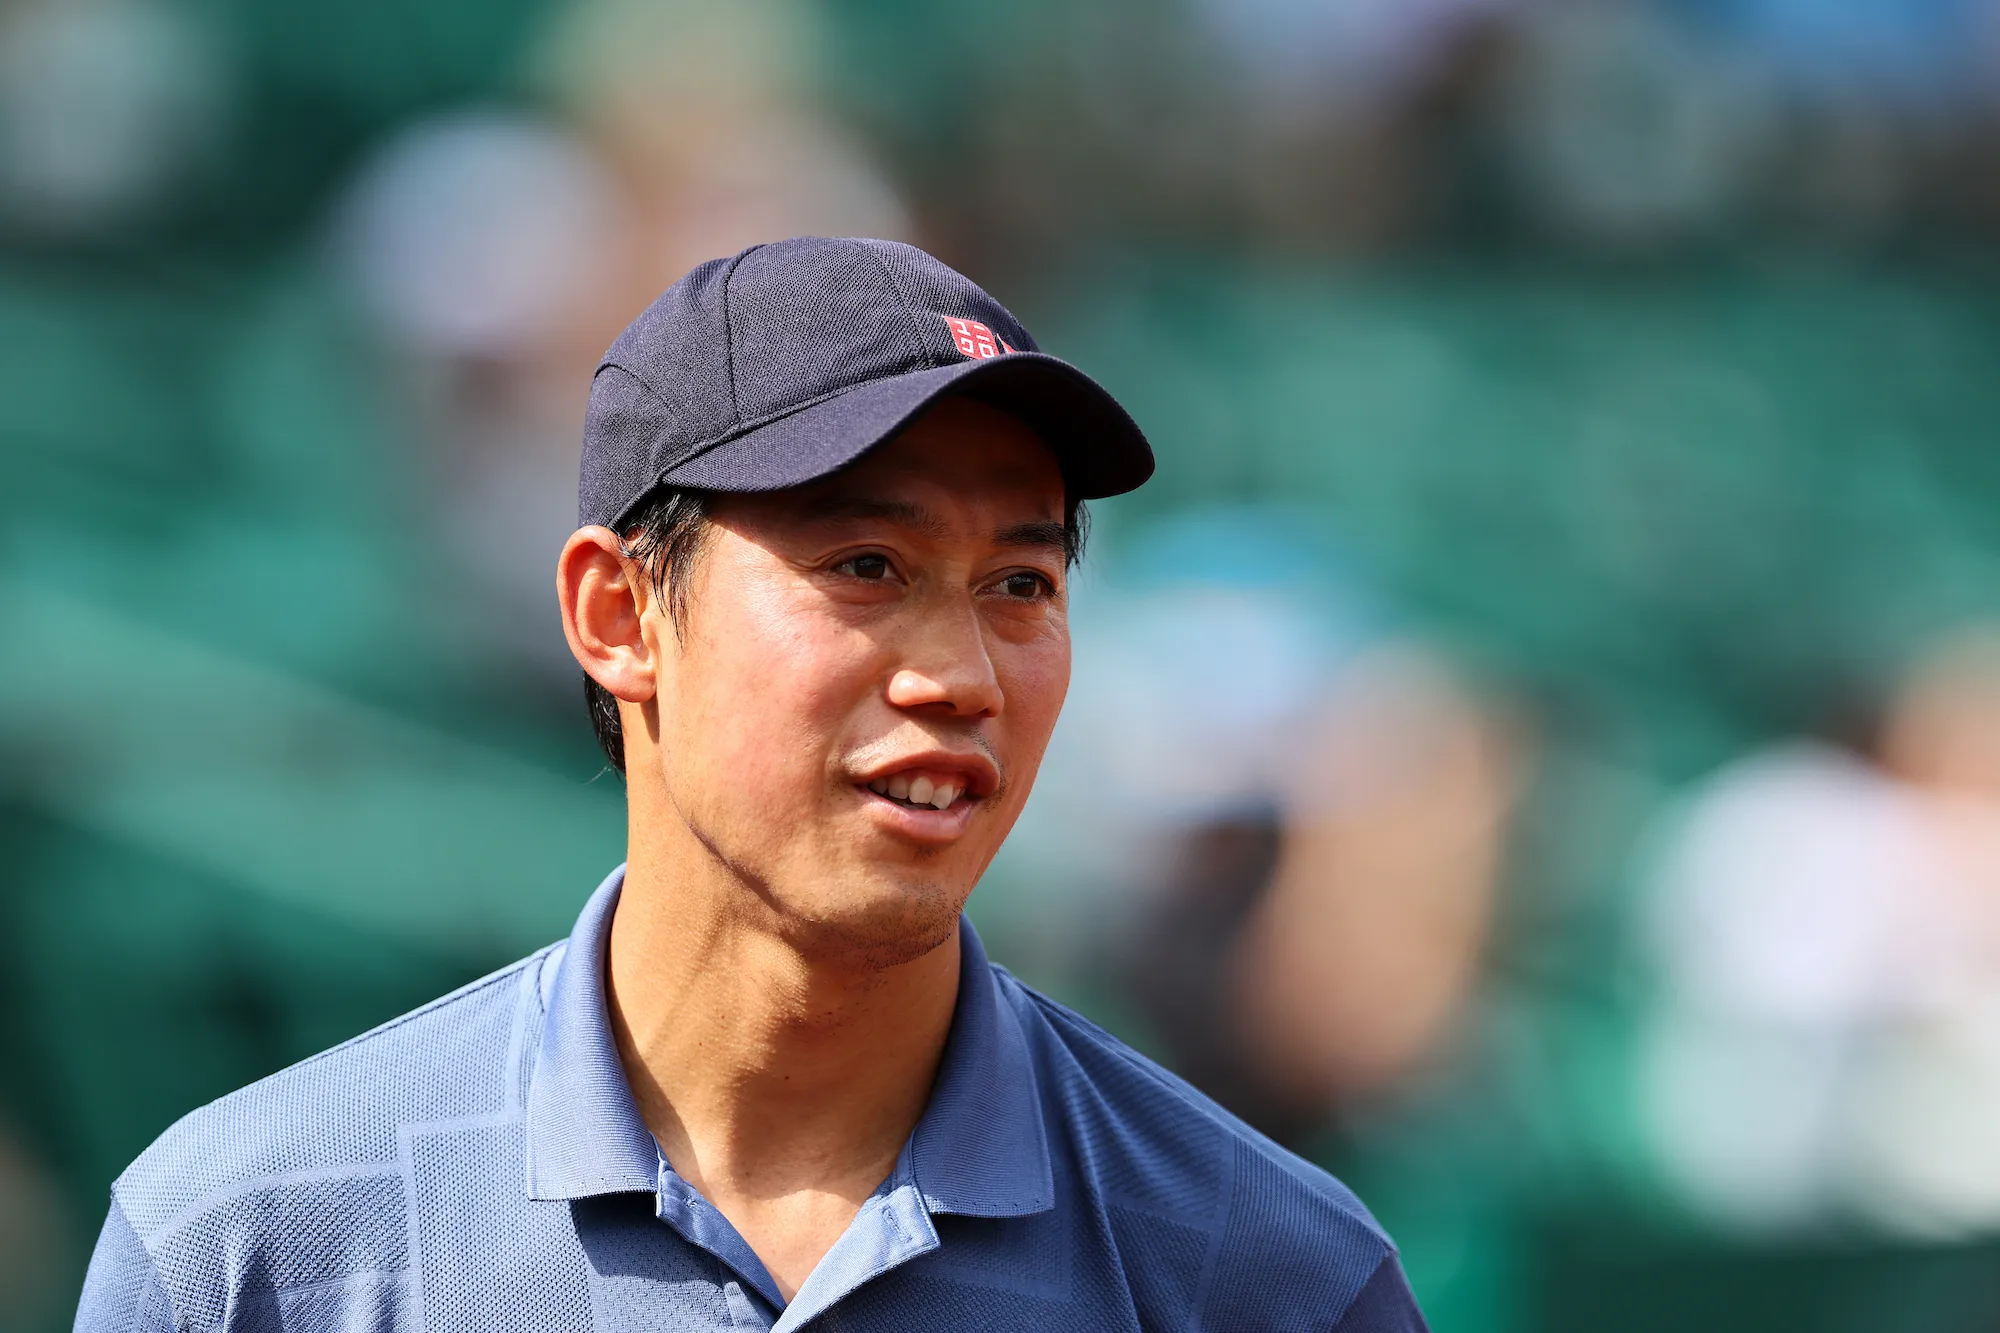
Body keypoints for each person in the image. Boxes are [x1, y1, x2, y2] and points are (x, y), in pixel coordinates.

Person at [73, 237, 1427, 1331]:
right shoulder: (251, 1248)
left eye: (1022, 584)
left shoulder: (1279, 1277)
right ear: (618, 616)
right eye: (866, 569)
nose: (959, 675)